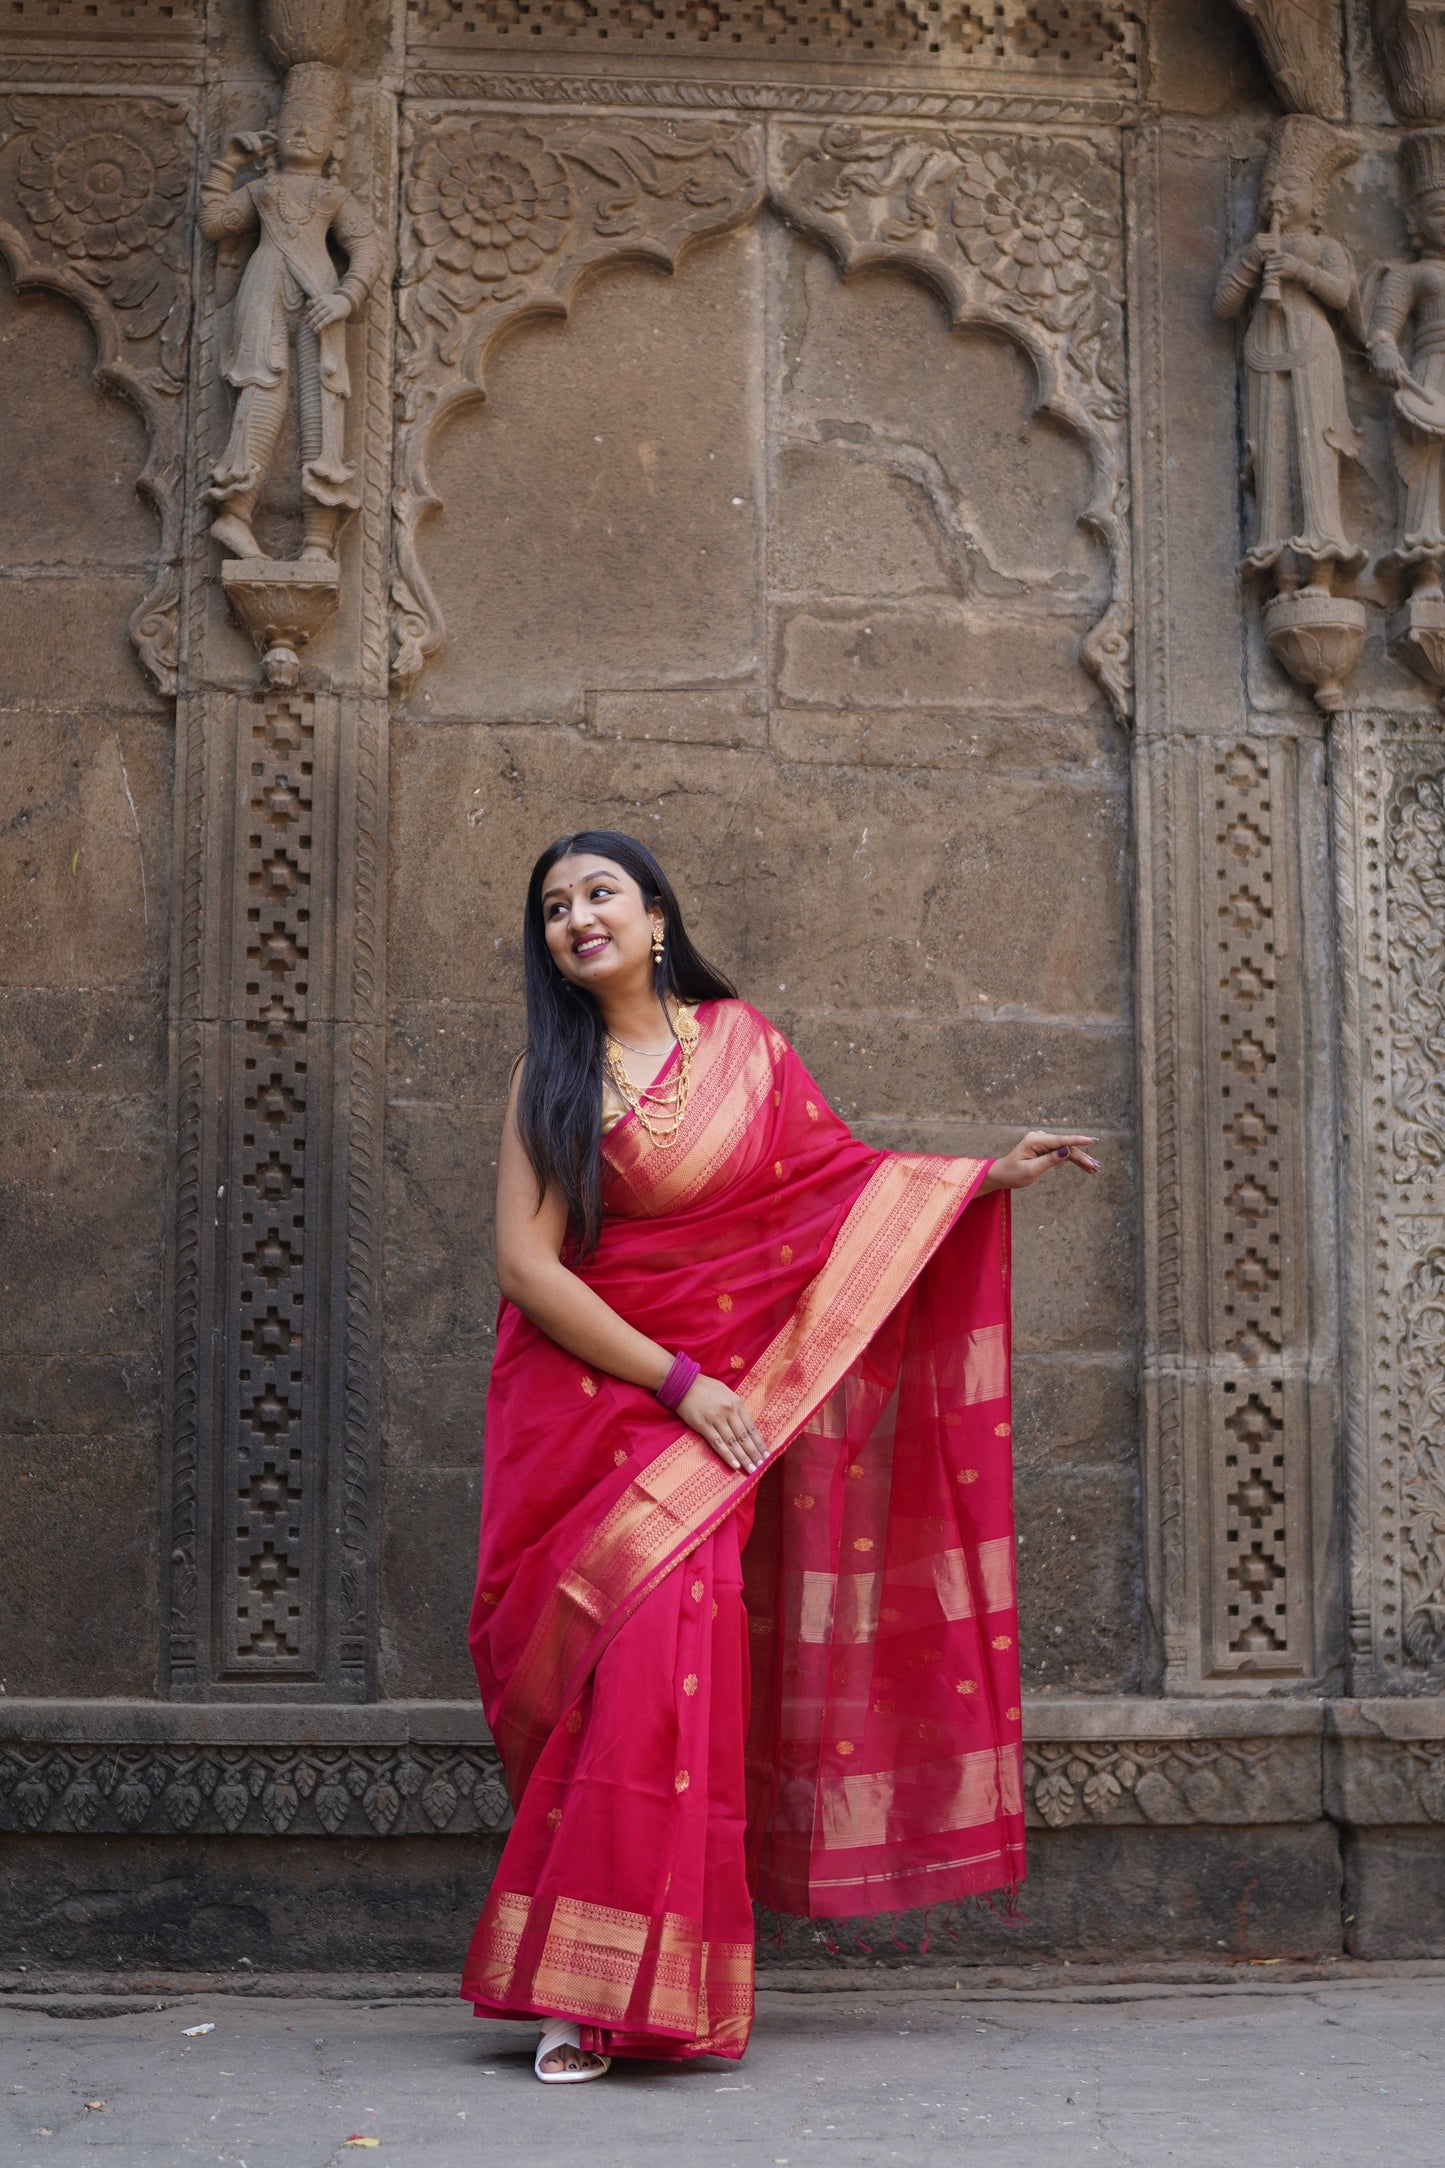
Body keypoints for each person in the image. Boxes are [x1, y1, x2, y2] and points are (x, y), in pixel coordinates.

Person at [462, 830, 1097, 2081]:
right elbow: (526, 1268)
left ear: (654, 916)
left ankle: (637, 1987)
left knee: (672, 1666)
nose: (576, 918)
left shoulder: (744, 1046)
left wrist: (981, 1177)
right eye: (552, 907)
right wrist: (678, 1380)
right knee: (607, 1674)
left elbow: (836, 1195)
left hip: (711, 1415)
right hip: (597, 1407)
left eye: (599, 894)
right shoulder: (551, 1077)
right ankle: (582, 1992)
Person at [199, 61, 383, 565]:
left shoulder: (332, 196)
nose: (303, 133)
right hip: (263, 290)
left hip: (321, 296)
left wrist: (347, 295)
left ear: (335, 142)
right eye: (293, 125)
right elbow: (214, 223)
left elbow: (367, 245)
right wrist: (227, 163)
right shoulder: (263, 191)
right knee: (261, 393)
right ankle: (234, 515)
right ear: (274, 135)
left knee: (324, 400)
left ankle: (318, 540)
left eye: (316, 128)